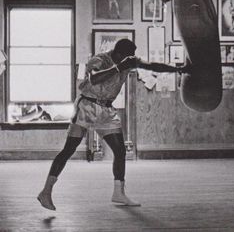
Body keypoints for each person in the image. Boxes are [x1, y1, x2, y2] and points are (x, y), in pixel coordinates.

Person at [37, 39, 188, 211]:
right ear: (118, 53)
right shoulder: (100, 59)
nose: (131, 59)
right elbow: (93, 77)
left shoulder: (129, 61)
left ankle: (118, 192)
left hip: (106, 110)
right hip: (87, 106)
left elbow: (153, 65)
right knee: (69, 150)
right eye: (128, 56)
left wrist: (178, 69)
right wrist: (118, 67)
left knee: (120, 150)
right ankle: (46, 191)